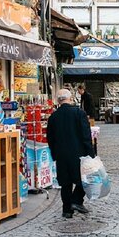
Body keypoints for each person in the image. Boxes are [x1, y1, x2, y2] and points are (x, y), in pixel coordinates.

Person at [47, 89, 95, 218]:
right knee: (83, 180)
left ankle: (67, 210)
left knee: (65, 183)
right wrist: (91, 154)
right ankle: (76, 200)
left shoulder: (53, 117)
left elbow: (50, 138)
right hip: (79, 153)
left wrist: (54, 154)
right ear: (71, 98)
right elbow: (86, 136)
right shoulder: (79, 113)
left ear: (58, 100)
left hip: (62, 155)